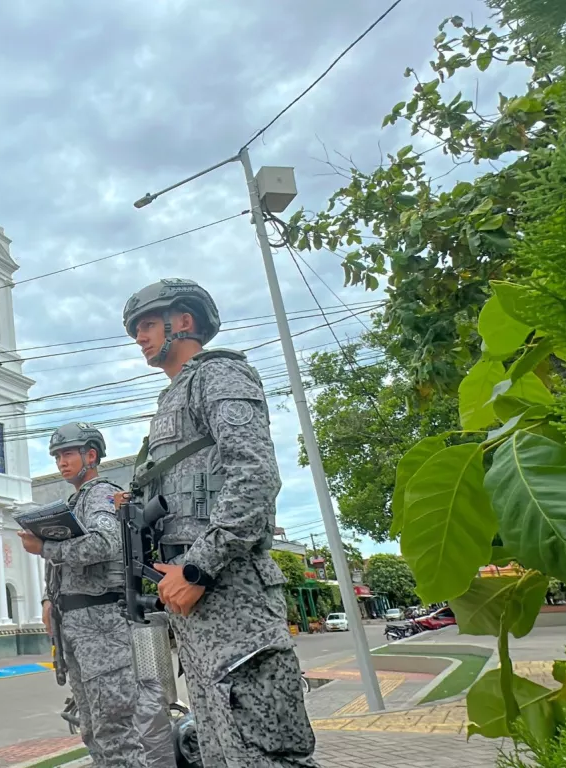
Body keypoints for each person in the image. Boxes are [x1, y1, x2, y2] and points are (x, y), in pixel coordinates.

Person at [120, 278, 320, 767]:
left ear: (183, 321)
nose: (140, 338)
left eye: (147, 325)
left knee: (262, 749)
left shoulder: (221, 374)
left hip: (230, 591)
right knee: (220, 748)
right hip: (192, 600)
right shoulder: (171, 400)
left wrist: (197, 569)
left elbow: (254, 473)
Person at [18, 423, 172, 768]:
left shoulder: (101, 494)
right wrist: (48, 599)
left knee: (115, 731)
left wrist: (45, 547)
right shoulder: (78, 499)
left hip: (102, 625)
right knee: (92, 730)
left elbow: (105, 543)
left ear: (91, 455)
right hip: (78, 626)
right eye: (57, 456)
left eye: (68, 453)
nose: (61, 462)